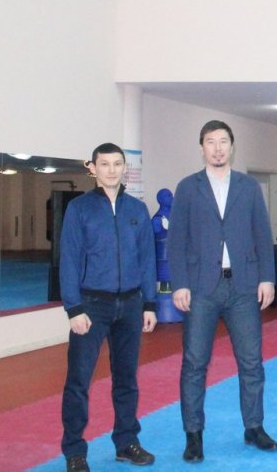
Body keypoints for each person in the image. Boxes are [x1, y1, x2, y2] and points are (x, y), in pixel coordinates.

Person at [168, 120, 277, 462]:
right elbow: (176, 240)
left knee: (251, 362)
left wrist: (267, 278)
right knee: (194, 363)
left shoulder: (249, 187)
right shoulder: (188, 188)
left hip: (243, 286)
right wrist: (179, 283)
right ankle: (193, 434)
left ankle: (254, 427)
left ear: (232, 146)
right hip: (201, 288)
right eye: (211, 142)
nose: (217, 148)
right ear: (202, 147)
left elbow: (262, 234)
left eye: (223, 142)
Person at [59, 143, 157, 472]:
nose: (112, 170)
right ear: (93, 168)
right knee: (79, 381)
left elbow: (147, 259)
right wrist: (73, 308)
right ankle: (75, 451)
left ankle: (126, 442)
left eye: (117, 164)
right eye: (105, 164)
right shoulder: (79, 209)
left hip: (130, 305)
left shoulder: (137, 209)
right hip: (91, 305)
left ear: (124, 167)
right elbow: (69, 259)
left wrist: (149, 303)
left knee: (127, 379)